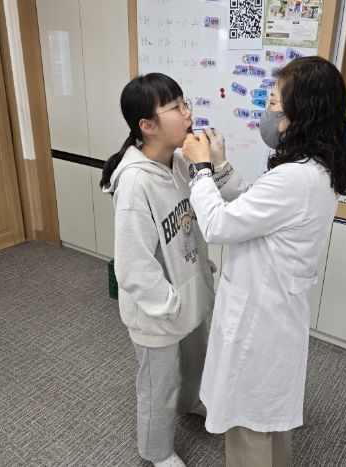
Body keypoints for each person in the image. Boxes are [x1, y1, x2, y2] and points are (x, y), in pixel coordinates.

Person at [181, 56, 346, 467]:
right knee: (269, 418)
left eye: (274, 102)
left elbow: (219, 225)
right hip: (276, 308)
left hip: (259, 317)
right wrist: (221, 167)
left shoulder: (294, 177)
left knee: (248, 423)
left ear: (300, 114)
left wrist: (200, 170)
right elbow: (257, 208)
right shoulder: (317, 167)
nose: (268, 111)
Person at [99, 73, 215, 467]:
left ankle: (191, 402)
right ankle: (156, 450)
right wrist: (169, 304)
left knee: (196, 360)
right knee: (158, 385)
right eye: (176, 108)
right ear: (147, 126)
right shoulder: (135, 184)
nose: (188, 114)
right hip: (158, 311)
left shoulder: (179, 163)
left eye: (185, 103)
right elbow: (133, 266)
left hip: (188, 294)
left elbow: (190, 227)